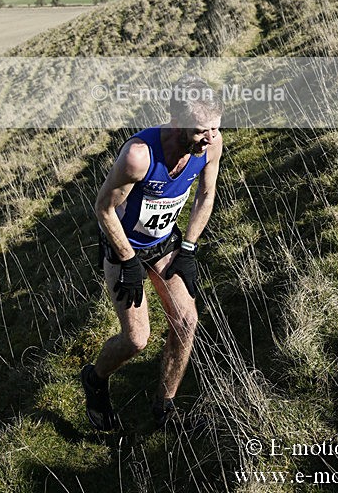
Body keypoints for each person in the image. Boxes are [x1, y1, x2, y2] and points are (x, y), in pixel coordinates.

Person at [81, 75, 223, 431]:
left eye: (215, 128)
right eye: (200, 131)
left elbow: (206, 194)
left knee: (186, 322)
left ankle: (165, 408)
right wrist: (128, 260)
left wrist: (188, 247)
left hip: (164, 244)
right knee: (136, 339)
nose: (209, 138)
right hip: (124, 248)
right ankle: (95, 379)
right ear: (176, 121)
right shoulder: (138, 155)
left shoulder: (211, 145)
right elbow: (103, 208)